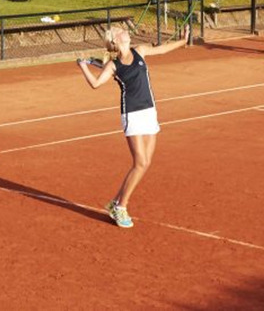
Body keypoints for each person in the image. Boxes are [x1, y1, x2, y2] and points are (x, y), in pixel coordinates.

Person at [75, 23, 191, 229]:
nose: (126, 32)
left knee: (145, 163)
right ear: (116, 40)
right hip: (132, 115)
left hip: (149, 111)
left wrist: (183, 40)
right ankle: (121, 207)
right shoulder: (112, 66)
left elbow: (162, 49)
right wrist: (83, 66)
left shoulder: (140, 51)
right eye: (121, 32)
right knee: (140, 163)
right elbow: (95, 84)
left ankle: (115, 202)